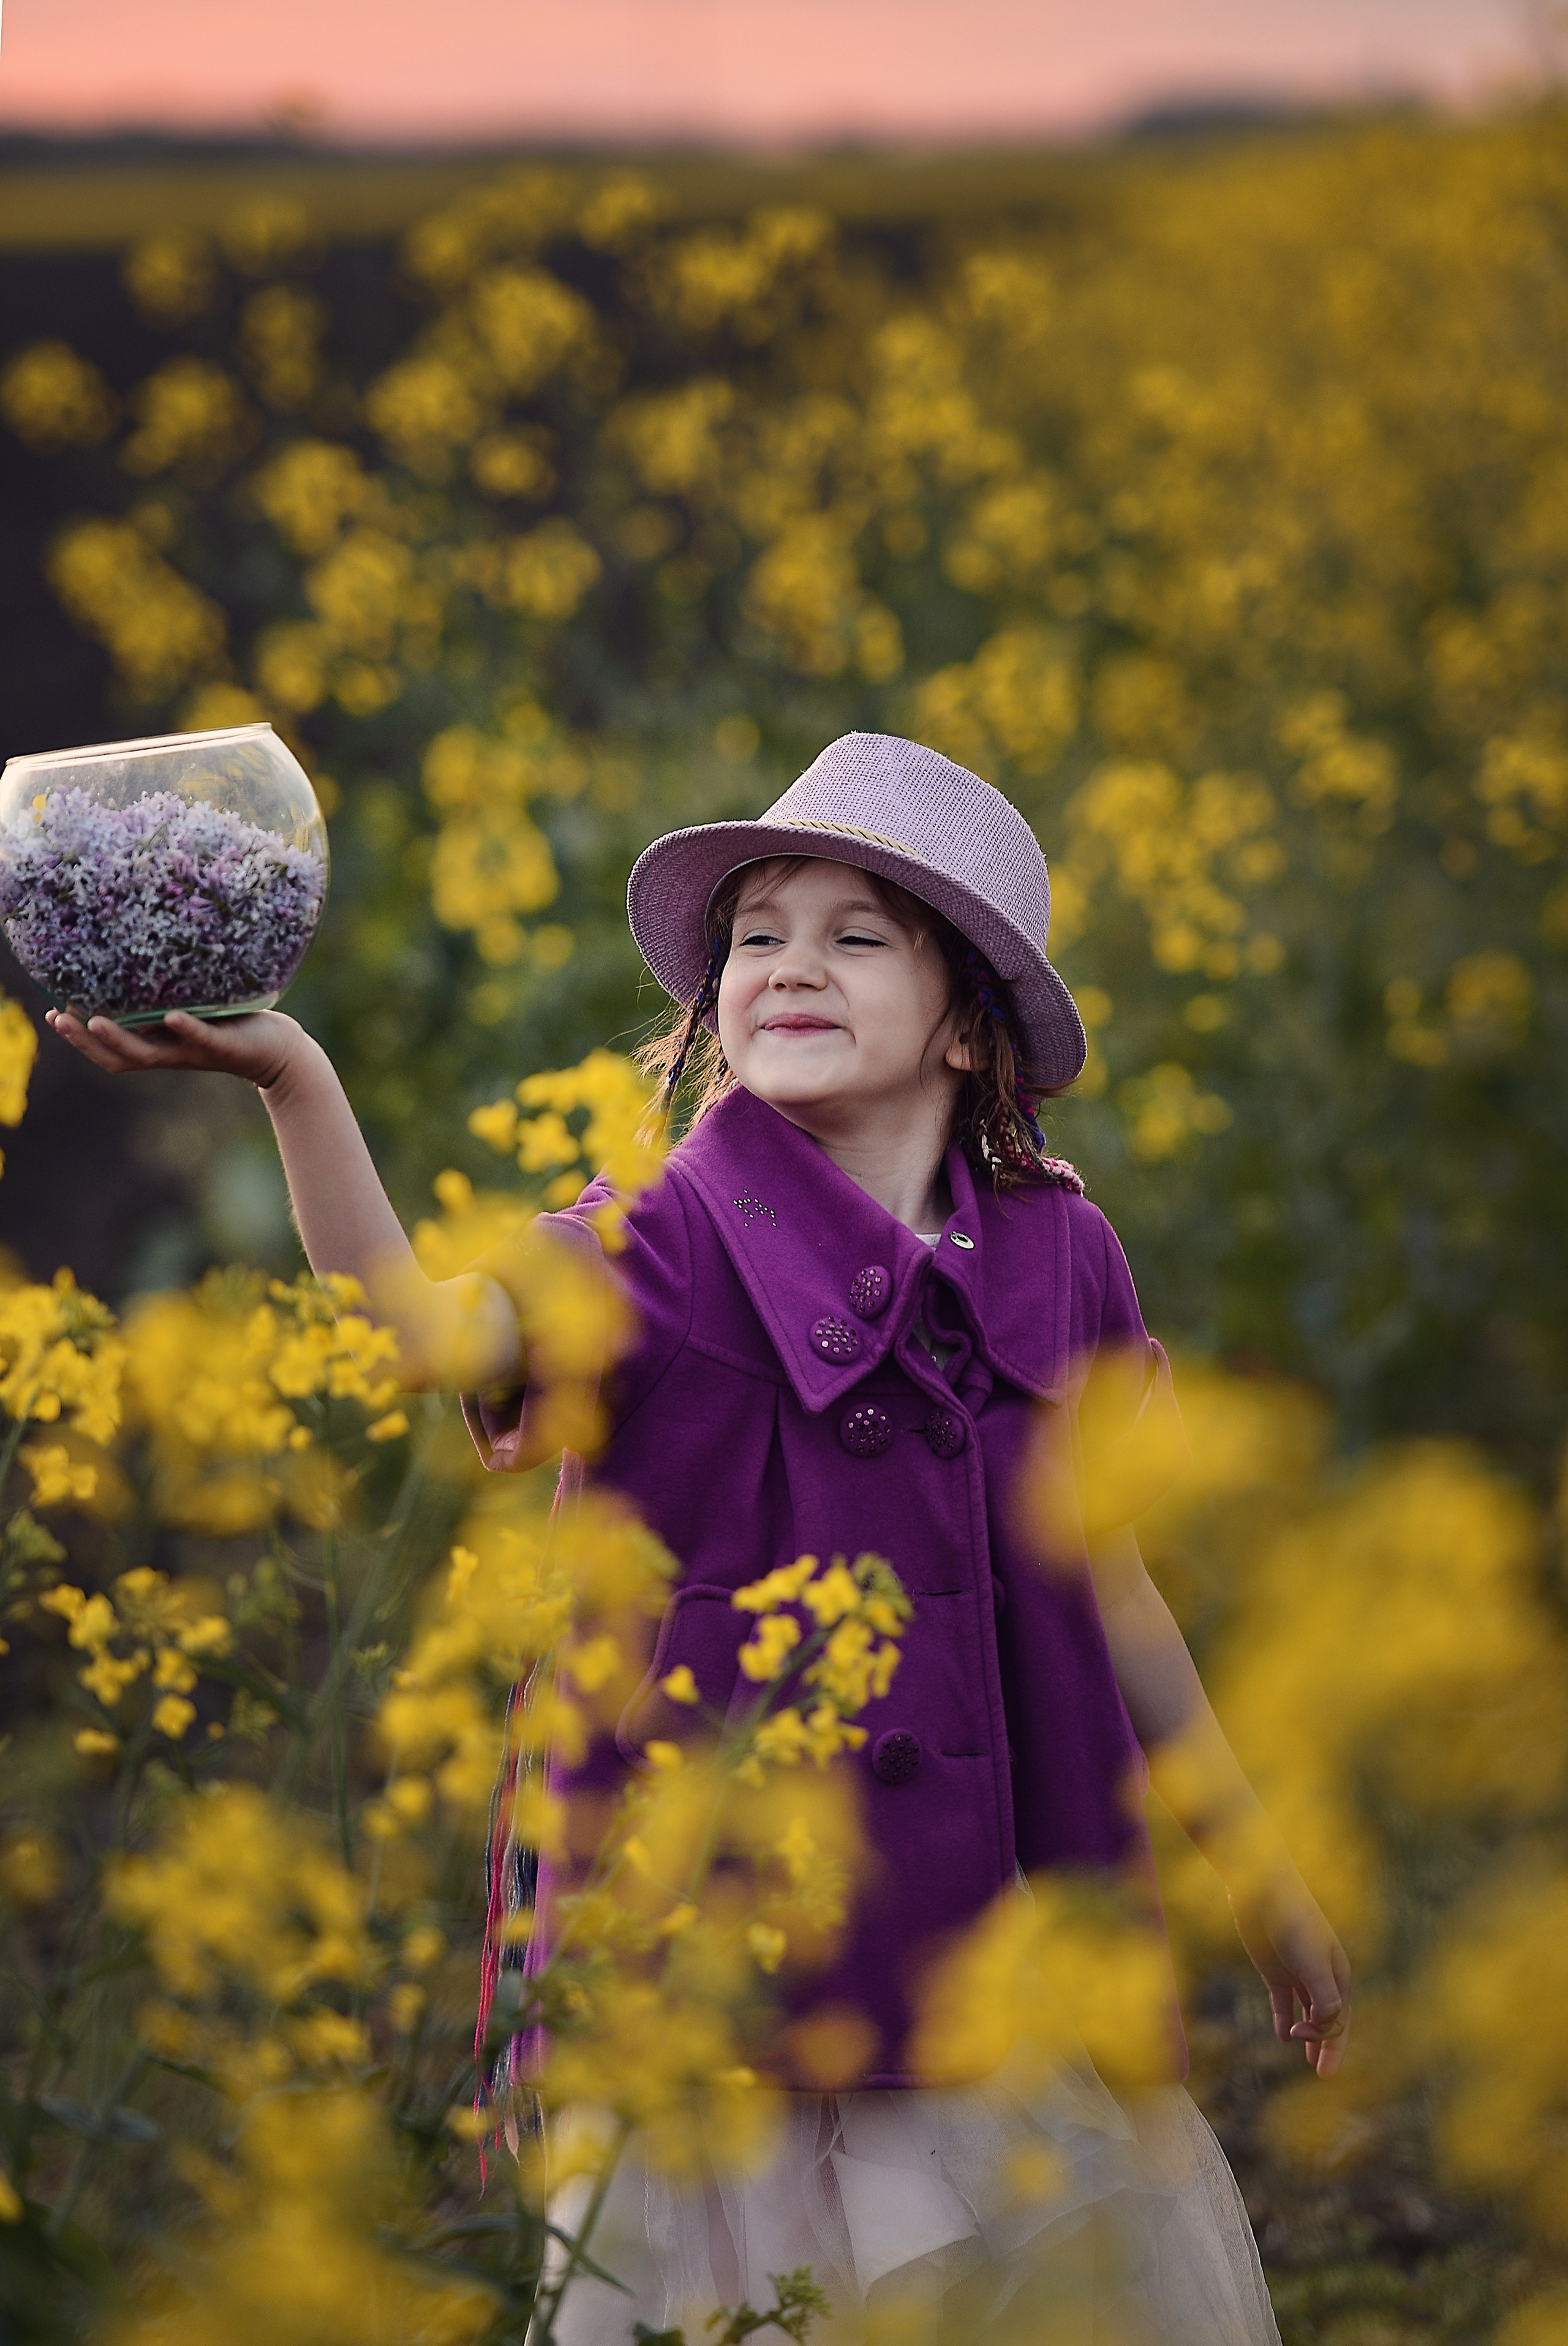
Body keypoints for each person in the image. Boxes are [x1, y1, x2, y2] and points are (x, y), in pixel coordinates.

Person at [49, 731, 1347, 2344]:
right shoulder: (658, 1243)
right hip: (719, 2006)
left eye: (857, 934)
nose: (791, 965)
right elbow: (422, 1337)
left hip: (995, 1973)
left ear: (968, 1032)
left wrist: (1265, 1874)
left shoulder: (1062, 1255)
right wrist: (296, 1077)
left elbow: (1119, 1594)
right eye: (758, 935)